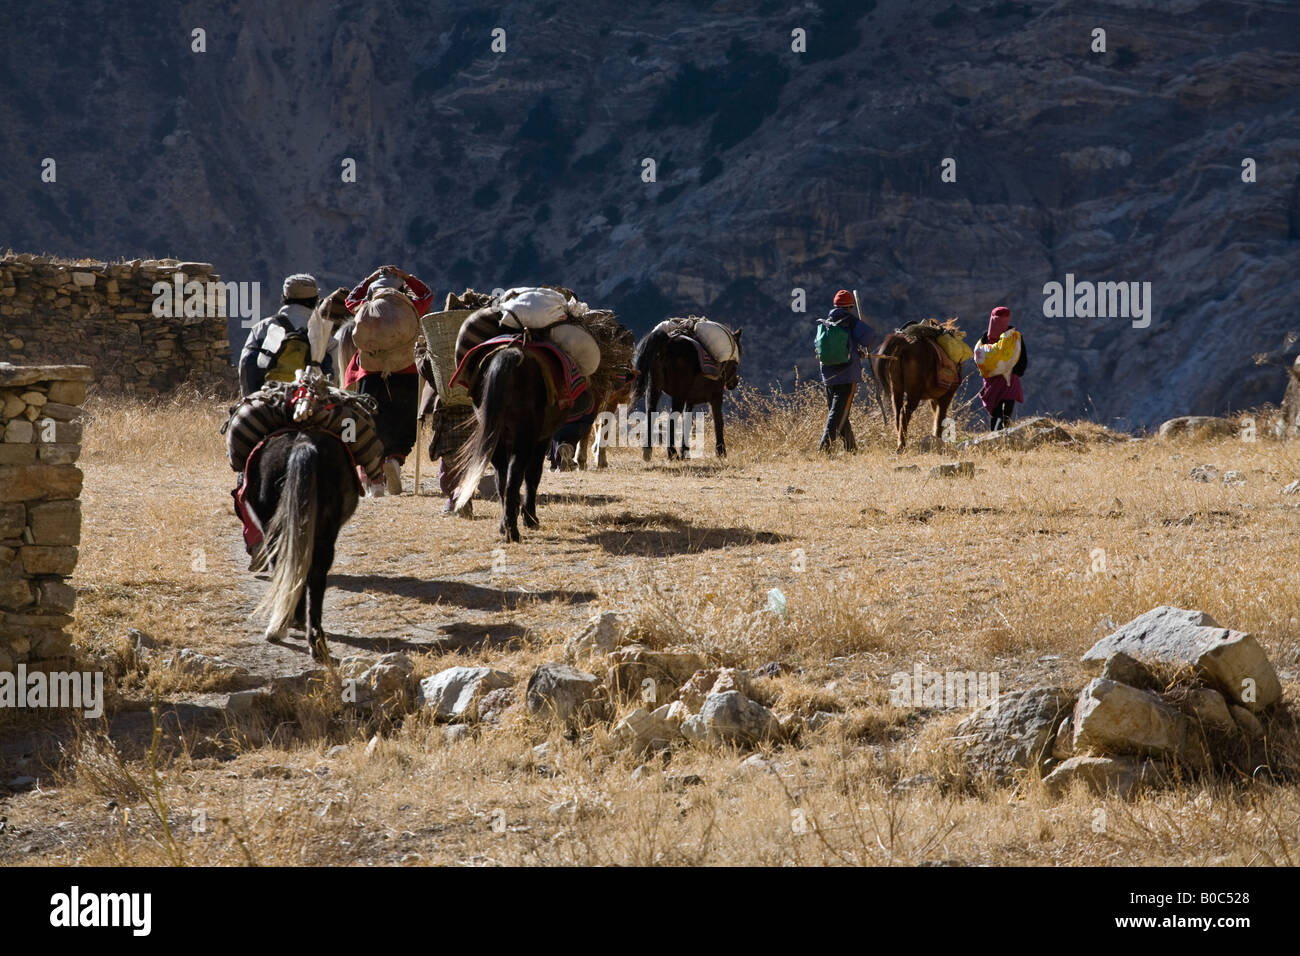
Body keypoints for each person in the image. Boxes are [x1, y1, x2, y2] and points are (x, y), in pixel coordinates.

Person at [342, 266, 433, 495]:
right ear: (400, 290)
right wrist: (406, 276)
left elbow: (349, 299)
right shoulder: (412, 308)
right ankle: (395, 458)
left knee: (371, 426)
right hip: (406, 373)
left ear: (374, 291)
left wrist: (369, 277)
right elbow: (427, 295)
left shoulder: (363, 307)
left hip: (370, 375)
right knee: (403, 423)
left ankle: (375, 481)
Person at [238, 274, 332, 396]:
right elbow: (332, 376)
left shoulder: (262, 327)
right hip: (309, 400)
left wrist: (250, 397)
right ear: (316, 300)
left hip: (268, 395)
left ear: (284, 297)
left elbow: (246, 363)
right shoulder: (324, 334)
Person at [816, 289, 873, 454]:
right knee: (838, 413)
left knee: (839, 412)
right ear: (850, 306)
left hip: (828, 375)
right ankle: (824, 449)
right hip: (847, 376)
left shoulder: (826, 322)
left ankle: (852, 449)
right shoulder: (851, 321)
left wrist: (854, 351)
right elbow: (869, 338)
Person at [974, 306, 1028, 431]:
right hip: (1010, 381)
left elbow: (980, 361)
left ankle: (995, 437)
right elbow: (1022, 362)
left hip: (992, 384)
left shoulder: (984, 340)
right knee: (1006, 414)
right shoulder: (1014, 338)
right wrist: (1013, 371)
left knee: (996, 413)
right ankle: (1003, 439)